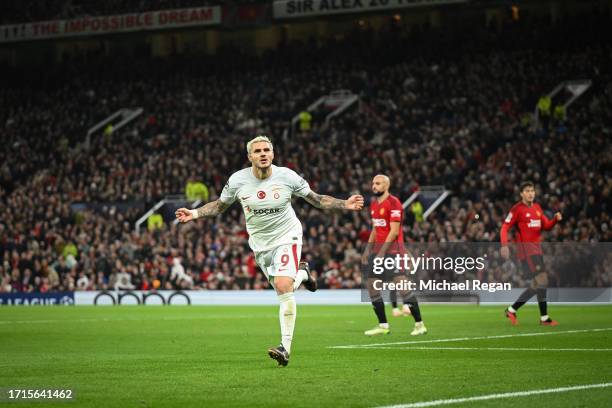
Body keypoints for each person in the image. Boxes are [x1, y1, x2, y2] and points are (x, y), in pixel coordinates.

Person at [176, 135, 364, 366]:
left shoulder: (287, 176)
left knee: (284, 287)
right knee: (282, 286)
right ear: (250, 157)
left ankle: (285, 348)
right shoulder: (237, 180)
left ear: (272, 154)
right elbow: (218, 206)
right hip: (260, 244)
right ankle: (303, 273)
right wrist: (194, 214)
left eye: (267, 150)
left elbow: (316, 199)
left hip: (288, 236)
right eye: (258, 151)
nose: (263, 154)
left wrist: (344, 203)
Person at [361, 175, 427, 336]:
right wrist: (367, 250)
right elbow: (376, 229)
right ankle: (383, 325)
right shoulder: (374, 204)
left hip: (393, 252)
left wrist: (382, 252)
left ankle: (419, 324)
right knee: (372, 286)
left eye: (378, 183)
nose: (374, 186)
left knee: (403, 287)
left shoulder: (394, 203)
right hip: (378, 253)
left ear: (386, 185)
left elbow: (394, 231)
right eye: (373, 183)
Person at [500, 181, 562, 326]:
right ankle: (544, 318)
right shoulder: (517, 209)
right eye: (527, 191)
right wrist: (504, 245)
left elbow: (545, 226)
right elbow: (504, 228)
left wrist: (554, 220)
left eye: (532, 191)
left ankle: (512, 310)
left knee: (537, 284)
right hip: (527, 252)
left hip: (537, 250)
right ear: (521, 193)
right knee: (542, 280)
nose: (530, 193)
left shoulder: (537, 208)